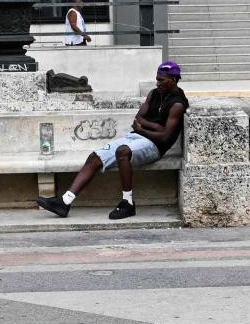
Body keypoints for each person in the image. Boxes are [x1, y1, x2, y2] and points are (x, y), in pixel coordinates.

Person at [35, 60, 187, 220]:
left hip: (155, 146)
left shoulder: (177, 104)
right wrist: (154, 127)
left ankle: (128, 203)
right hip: (136, 137)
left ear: (174, 79)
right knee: (95, 157)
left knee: (122, 151)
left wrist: (143, 129)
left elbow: (165, 136)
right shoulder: (154, 94)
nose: (157, 83)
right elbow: (138, 118)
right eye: (157, 79)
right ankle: (65, 202)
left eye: (162, 80)